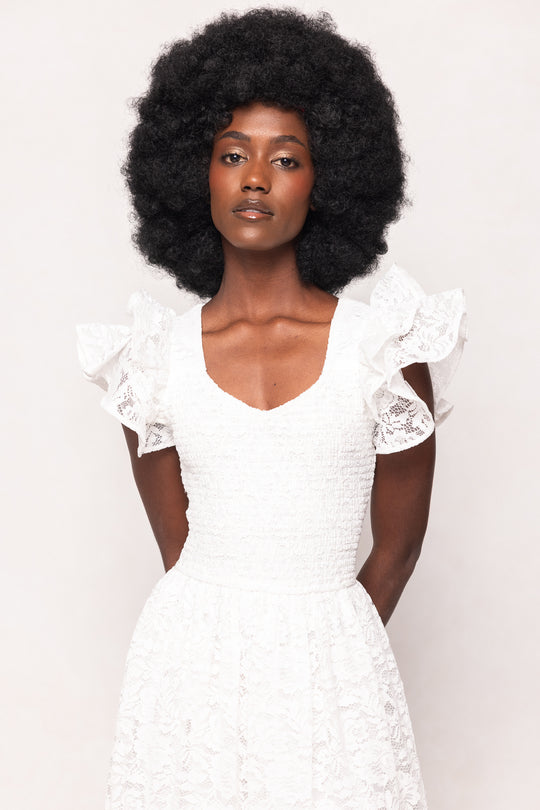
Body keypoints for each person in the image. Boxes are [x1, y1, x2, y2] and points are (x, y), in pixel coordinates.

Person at [76, 7, 467, 808]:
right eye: (232, 155)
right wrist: (230, 667)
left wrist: (327, 661)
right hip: (189, 676)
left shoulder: (387, 352)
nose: (255, 177)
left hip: (335, 672)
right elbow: (180, 554)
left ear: (326, 181)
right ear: (197, 174)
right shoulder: (152, 361)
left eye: (286, 158)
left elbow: (396, 551)